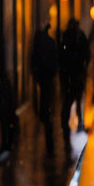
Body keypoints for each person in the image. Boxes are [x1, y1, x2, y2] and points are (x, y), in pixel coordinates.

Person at [60, 18, 90, 156]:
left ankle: (66, 131)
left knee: (67, 103)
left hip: (68, 76)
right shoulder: (80, 36)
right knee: (77, 100)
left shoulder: (65, 37)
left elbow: (60, 56)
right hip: (76, 75)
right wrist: (83, 67)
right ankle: (80, 124)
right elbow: (87, 54)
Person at [31, 23, 58, 155]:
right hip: (47, 78)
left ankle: (46, 118)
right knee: (47, 105)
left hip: (43, 78)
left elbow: (34, 61)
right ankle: (47, 120)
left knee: (44, 104)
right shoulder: (50, 43)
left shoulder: (39, 44)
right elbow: (55, 60)